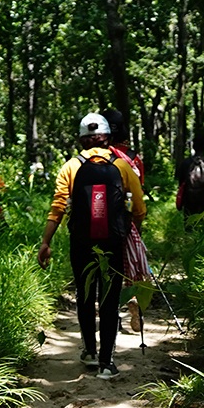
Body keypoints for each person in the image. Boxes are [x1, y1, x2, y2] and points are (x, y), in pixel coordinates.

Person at [37, 112, 146, 379]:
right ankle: (107, 363)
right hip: (113, 241)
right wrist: (131, 234)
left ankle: (88, 351)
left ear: (82, 140)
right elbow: (140, 208)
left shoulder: (71, 167)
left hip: (81, 241)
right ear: (108, 138)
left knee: (85, 296)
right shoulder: (122, 167)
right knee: (109, 299)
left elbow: (57, 208)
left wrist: (45, 242)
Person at [105, 110, 148, 338]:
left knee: (108, 270)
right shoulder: (134, 157)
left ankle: (112, 317)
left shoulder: (100, 155)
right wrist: (137, 221)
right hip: (128, 219)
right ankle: (133, 298)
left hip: (102, 221)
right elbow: (139, 189)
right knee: (132, 266)